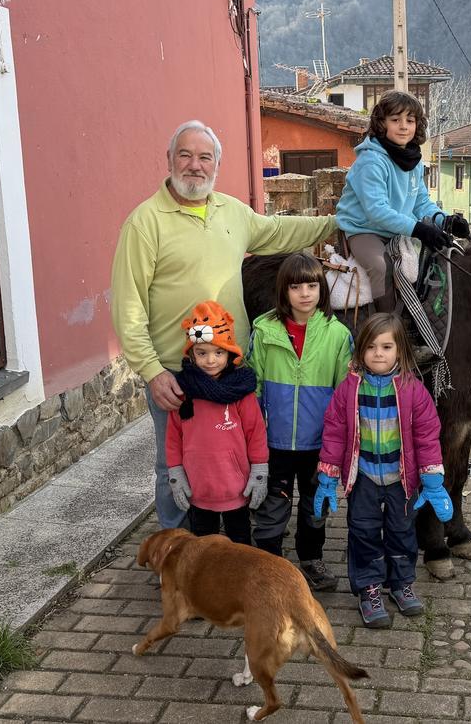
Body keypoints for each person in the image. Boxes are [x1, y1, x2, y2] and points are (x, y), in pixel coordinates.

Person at [111, 120, 338, 529]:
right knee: (175, 465)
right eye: (185, 155)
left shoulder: (232, 212)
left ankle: (228, 549)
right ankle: (178, 557)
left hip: (233, 366)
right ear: (169, 160)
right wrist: (152, 372)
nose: (194, 166)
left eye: (204, 157)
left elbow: (279, 231)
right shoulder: (144, 223)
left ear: (216, 164)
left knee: (233, 455)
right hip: (177, 373)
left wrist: (333, 224)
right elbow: (128, 307)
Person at [314, 313, 454, 628]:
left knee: (403, 533)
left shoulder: (413, 390)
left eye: (387, 346)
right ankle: (369, 589)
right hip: (362, 477)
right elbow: (334, 432)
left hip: (401, 480)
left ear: (400, 351)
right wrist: (328, 475)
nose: (379, 353)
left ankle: (401, 584)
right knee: (363, 533)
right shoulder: (348, 389)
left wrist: (432, 480)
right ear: (360, 350)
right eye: (372, 346)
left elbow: (427, 435)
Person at [247, 252, 353, 591]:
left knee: (314, 506)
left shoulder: (337, 335)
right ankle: (268, 564)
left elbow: (343, 396)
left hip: (318, 444)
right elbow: (254, 386)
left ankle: (310, 560)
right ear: (283, 291)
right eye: (296, 287)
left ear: (322, 288)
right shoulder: (264, 331)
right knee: (271, 505)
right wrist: (254, 433)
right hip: (273, 442)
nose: (305, 293)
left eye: (312, 285)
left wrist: (339, 444)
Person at [334, 90, 469, 312]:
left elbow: (420, 203)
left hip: (397, 229)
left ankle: (421, 317)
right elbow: (376, 211)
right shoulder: (371, 162)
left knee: (435, 259)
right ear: (382, 124)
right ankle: (387, 327)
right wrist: (419, 229)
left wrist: (446, 221)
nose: (403, 126)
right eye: (395, 120)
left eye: (410, 120)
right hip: (364, 229)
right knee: (380, 266)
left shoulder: (413, 161)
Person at [164, 301, 267, 543]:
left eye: (218, 352)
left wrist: (260, 471)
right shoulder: (183, 391)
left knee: (240, 545)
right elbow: (172, 437)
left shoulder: (241, 392)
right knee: (203, 547)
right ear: (191, 354)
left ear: (230, 353)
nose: (211, 360)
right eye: (202, 353)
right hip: (199, 489)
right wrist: (175, 473)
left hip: (236, 488)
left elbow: (256, 433)